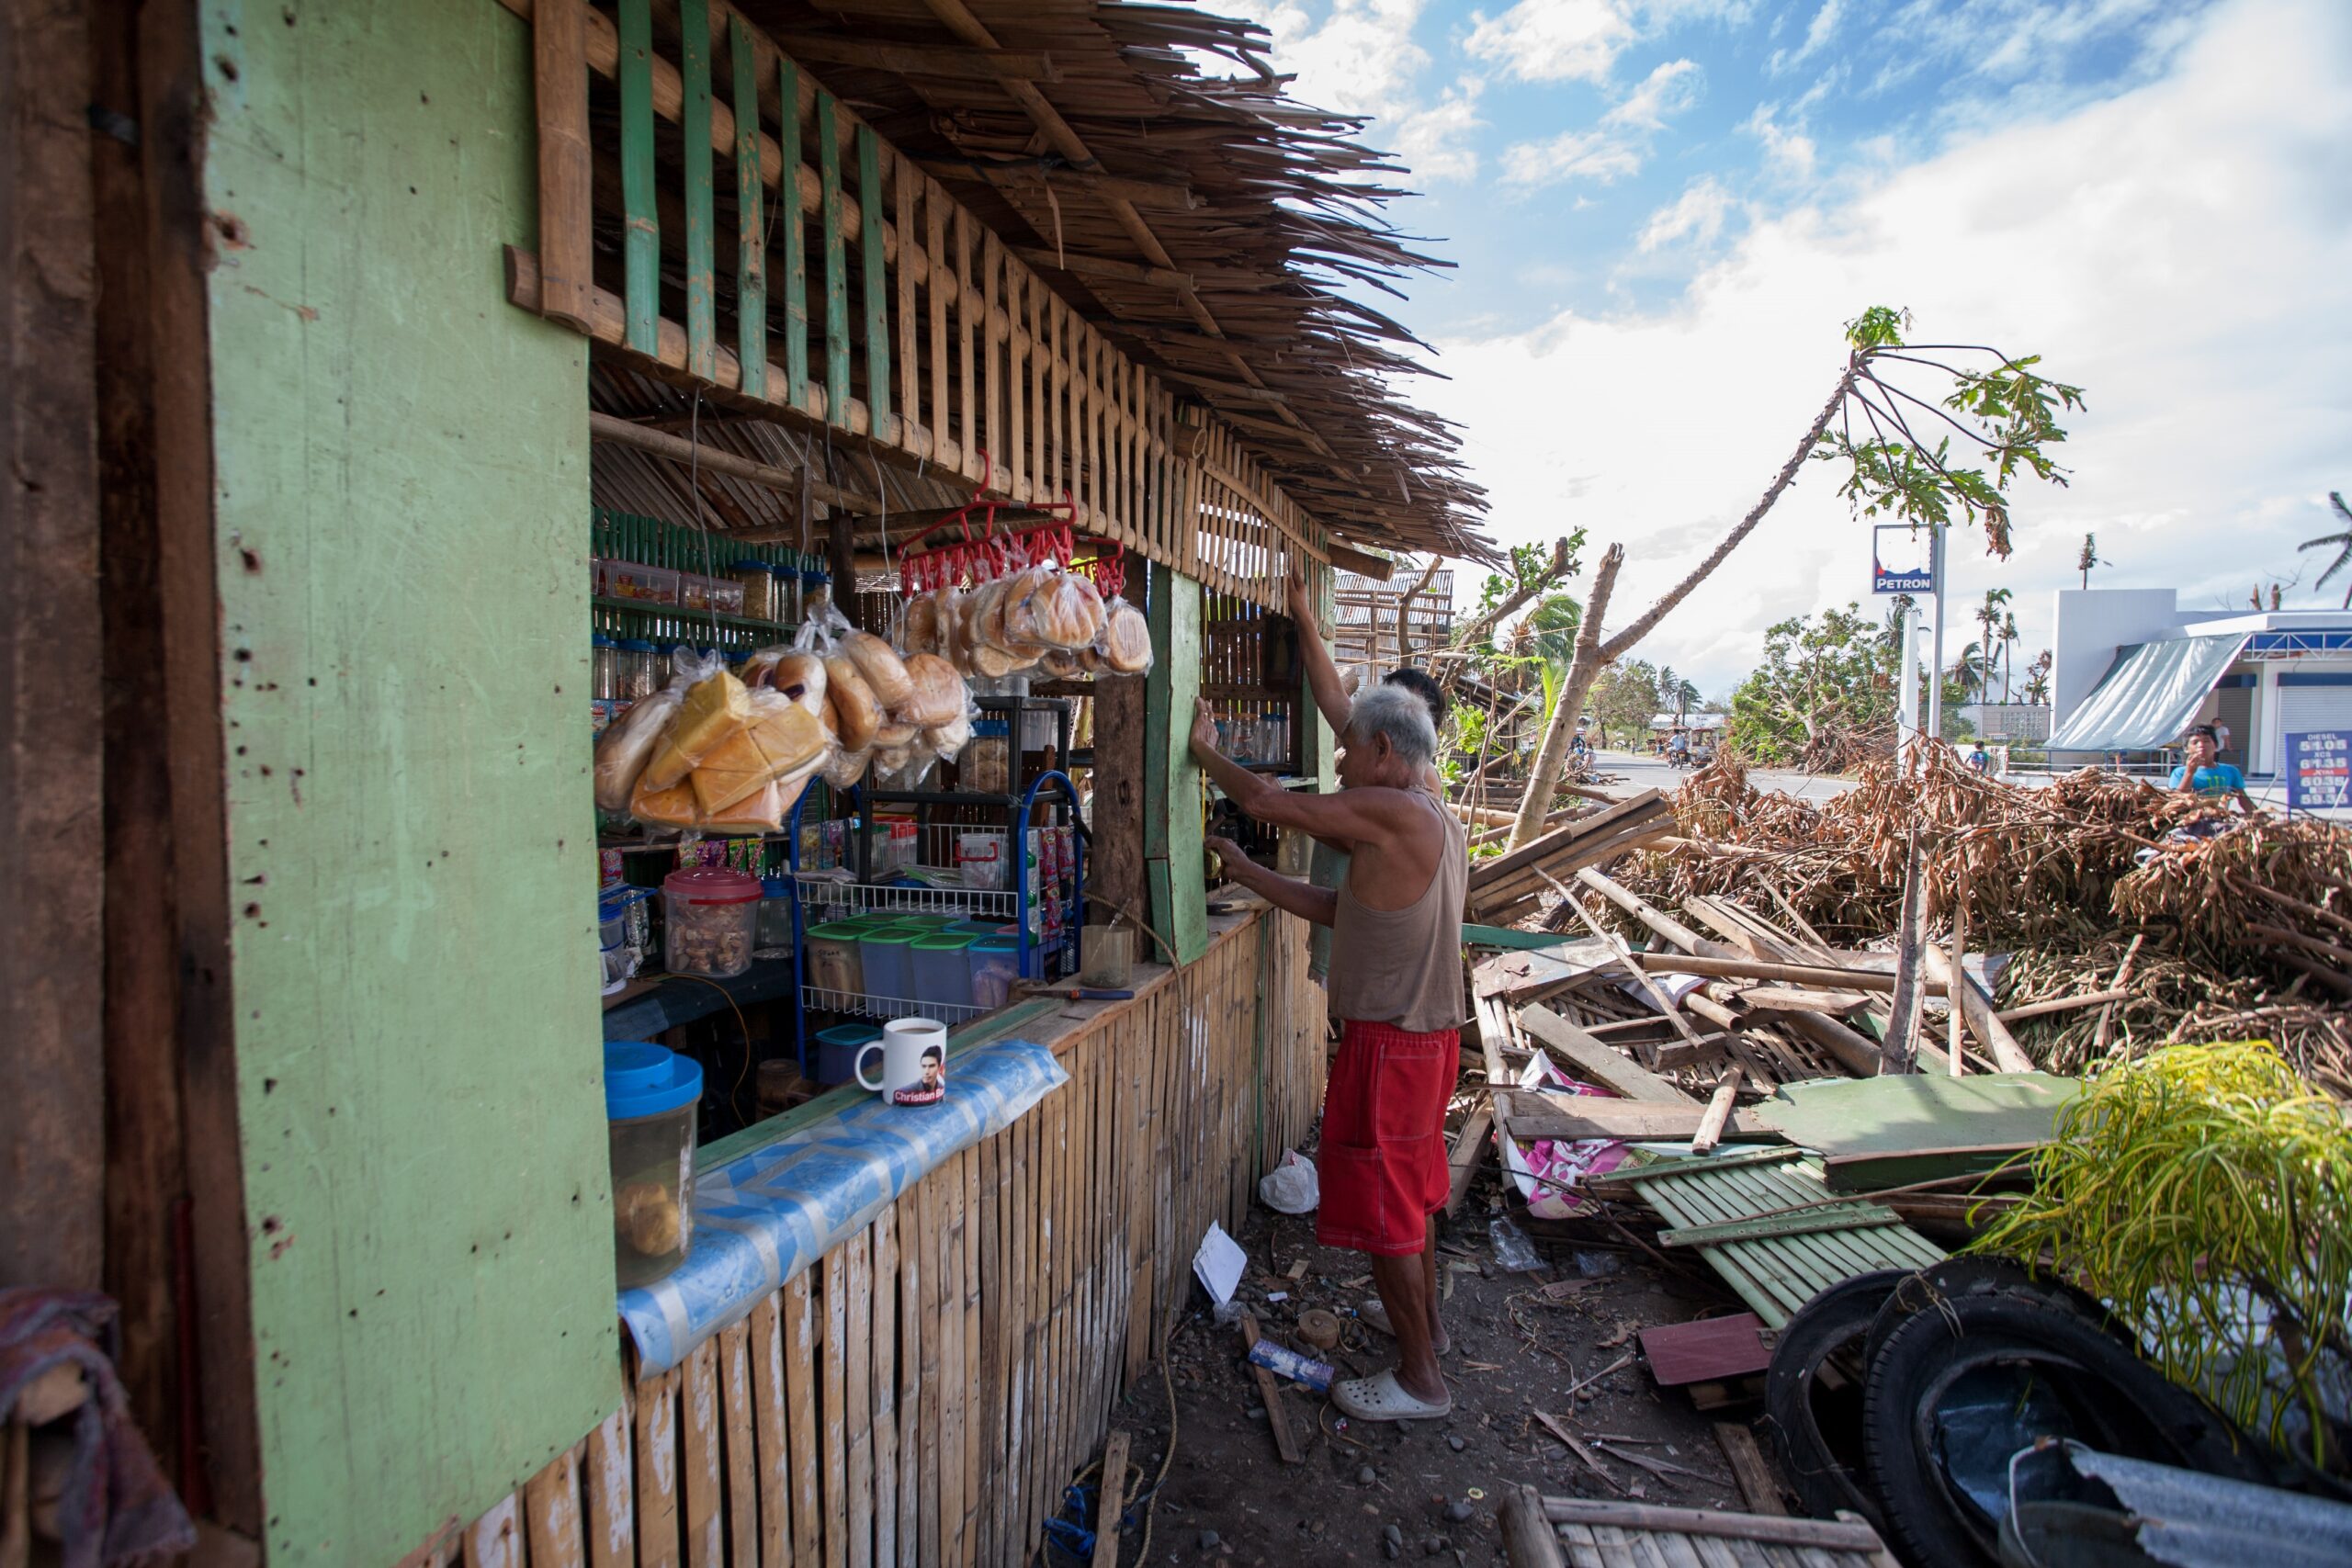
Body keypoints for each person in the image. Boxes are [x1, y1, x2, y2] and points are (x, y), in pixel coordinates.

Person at [1194, 684, 1466, 1423]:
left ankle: (1421, 1379)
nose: (1340, 762)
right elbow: (1341, 911)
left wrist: (1200, 748)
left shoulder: (1392, 808)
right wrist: (1246, 872)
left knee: (1385, 1218)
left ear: (1385, 751)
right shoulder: (1430, 816)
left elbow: (1265, 802)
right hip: (1428, 1039)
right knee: (1408, 1202)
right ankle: (1428, 1332)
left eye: (1348, 749)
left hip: (1392, 1044)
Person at [1287, 565, 1448, 982]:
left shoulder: (1421, 783)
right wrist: (1303, 614)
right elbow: (1330, 695)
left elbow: (1350, 837)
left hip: (1368, 952)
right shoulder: (1377, 749)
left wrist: (1287, 811)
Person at [2167, 725, 2257, 816]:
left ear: (2216, 746)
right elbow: (2177, 800)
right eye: (2195, 742)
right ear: (2186, 749)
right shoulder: (2180, 772)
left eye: (2206, 741)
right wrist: (2190, 772)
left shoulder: (2231, 771)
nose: (2201, 745)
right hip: (2191, 821)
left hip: (2221, 819)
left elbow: (2243, 799)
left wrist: (2259, 816)